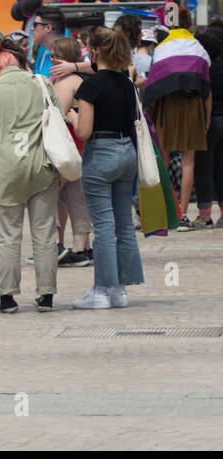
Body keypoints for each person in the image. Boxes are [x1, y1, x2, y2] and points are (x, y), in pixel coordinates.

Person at [0, 40, 61, 314]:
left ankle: (7, 297)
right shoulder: (42, 83)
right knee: (44, 233)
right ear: (20, 62)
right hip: (42, 167)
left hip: (6, 171)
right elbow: (58, 124)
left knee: (9, 235)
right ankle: (46, 295)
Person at [72, 27, 144, 310]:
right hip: (127, 153)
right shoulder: (127, 82)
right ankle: (121, 290)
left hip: (101, 154)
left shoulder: (91, 86)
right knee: (124, 223)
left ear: (96, 51)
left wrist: (72, 116)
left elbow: (85, 132)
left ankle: (102, 291)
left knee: (102, 225)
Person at [141, 14, 211, 227]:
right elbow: (206, 88)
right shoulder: (198, 47)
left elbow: (154, 81)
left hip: (166, 105)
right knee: (188, 160)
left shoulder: (163, 48)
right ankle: (182, 214)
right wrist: (206, 118)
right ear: (189, 24)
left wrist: (149, 111)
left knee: (163, 157)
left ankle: (164, 211)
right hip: (193, 106)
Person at [47, 37, 94, 265]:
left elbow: (57, 112)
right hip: (81, 146)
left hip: (66, 146)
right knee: (77, 198)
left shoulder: (66, 82)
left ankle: (54, 245)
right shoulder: (83, 78)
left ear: (58, 57)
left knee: (52, 195)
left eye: (52, 56)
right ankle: (82, 246)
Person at [190, 29, 223, 230]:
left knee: (203, 168)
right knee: (221, 170)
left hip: (209, 123)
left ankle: (204, 215)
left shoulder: (203, 69)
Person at [31, 8, 65, 77]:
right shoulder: (41, 48)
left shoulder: (67, 54)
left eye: (35, 25)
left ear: (48, 28)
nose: (32, 28)